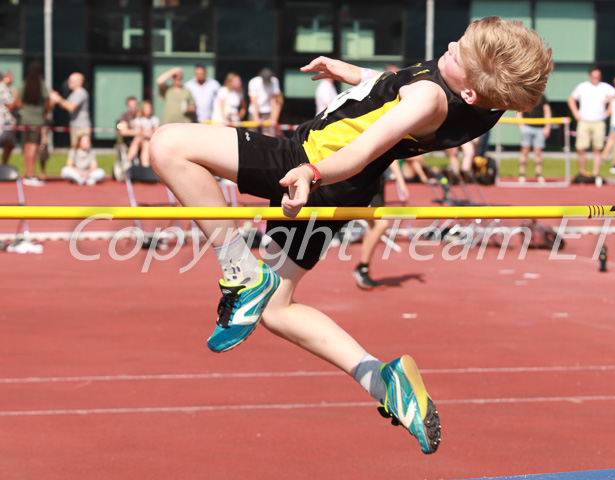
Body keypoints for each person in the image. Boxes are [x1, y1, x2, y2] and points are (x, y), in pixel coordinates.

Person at [148, 16, 553, 454]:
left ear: (469, 89)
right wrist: (357, 75)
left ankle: (240, 272)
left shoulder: (429, 97)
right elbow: (396, 92)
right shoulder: (477, 104)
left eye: (459, 51)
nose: (452, 43)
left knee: (168, 145)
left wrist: (310, 171)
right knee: (276, 309)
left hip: (308, 163)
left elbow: (362, 148)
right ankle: (384, 383)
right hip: (340, 186)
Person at [353, 160, 408, 290]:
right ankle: (362, 267)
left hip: (377, 181)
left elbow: (392, 155)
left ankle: (363, 268)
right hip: (366, 181)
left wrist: (401, 182)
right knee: (381, 224)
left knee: (372, 225)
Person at [567, 66, 615, 178]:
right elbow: (571, 99)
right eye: (594, 76)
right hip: (584, 122)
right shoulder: (582, 86)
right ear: (589, 76)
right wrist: (576, 114)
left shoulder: (605, 87)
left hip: (599, 122)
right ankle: (583, 172)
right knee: (580, 148)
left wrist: (608, 111)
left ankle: (595, 174)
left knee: (597, 149)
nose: (596, 78)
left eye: (598, 76)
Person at [17, 62, 51, 186]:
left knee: (26, 147)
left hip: (25, 120)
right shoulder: (41, 84)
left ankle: (27, 174)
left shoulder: (25, 84)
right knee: (34, 147)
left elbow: (19, 103)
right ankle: (31, 176)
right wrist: (46, 112)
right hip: (37, 121)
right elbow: (48, 100)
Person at [49, 72, 91, 150]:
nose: (69, 82)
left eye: (71, 80)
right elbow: (66, 105)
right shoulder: (73, 94)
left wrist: (58, 99)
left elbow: (71, 107)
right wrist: (57, 98)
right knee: (75, 151)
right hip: (75, 126)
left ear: (80, 81)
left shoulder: (81, 93)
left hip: (81, 127)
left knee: (84, 150)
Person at [516, 93, 551, 183]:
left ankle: (539, 174)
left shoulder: (542, 97)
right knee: (524, 151)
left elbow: (547, 110)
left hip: (540, 128)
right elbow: (518, 110)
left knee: (538, 152)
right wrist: (521, 126)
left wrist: (547, 127)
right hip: (527, 127)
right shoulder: (525, 95)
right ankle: (521, 174)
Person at [248, 68, 283, 136]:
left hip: (268, 111)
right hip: (254, 111)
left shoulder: (274, 81)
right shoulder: (254, 82)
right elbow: (253, 102)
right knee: (252, 135)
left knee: (269, 135)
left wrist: (274, 118)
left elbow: (274, 101)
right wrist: (256, 118)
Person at [131, 100, 159, 167]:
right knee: (137, 140)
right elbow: (138, 132)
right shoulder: (139, 119)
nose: (148, 110)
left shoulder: (154, 119)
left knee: (146, 145)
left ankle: (145, 164)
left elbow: (157, 130)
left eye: (149, 108)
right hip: (140, 139)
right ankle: (130, 157)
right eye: (146, 108)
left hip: (148, 139)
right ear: (143, 109)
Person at [0, 71, 18, 165]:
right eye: (11, 76)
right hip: (4, 122)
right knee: (8, 144)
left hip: (5, 122)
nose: (12, 79)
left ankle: (4, 165)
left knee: (9, 145)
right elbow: (10, 106)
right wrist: (15, 94)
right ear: (5, 77)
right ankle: (4, 165)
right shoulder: (3, 88)